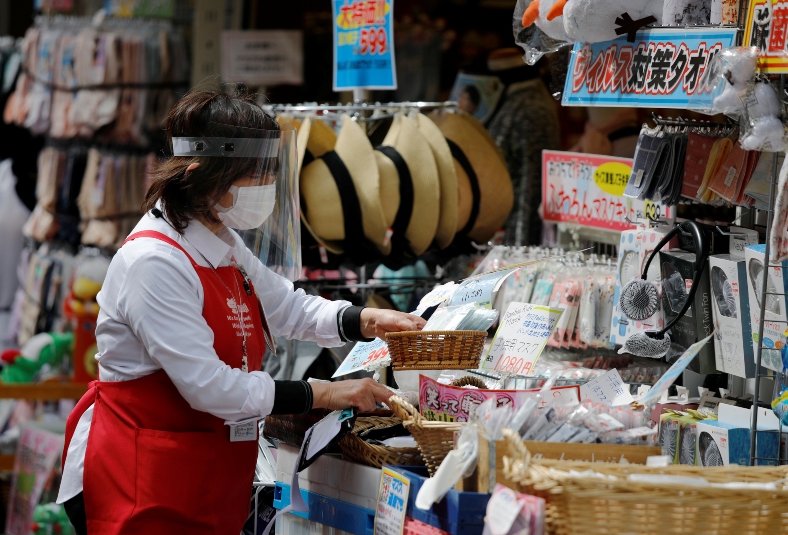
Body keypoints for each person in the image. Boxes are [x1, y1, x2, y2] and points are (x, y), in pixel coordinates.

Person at [56, 88, 425, 535]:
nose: (265, 186)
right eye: (255, 174)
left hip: (205, 472)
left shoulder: (223, 243)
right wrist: (326, 393)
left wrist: (365, 321)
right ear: (200, 174)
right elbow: (211, 388)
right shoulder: (153, 263)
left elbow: (287, 307)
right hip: (143, 478)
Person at [485, 48, 560, 247]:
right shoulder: (518, 101)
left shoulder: (532, 109)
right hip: (506, 219)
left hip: (517, 224)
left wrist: (519, 243)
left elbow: (531, 182)